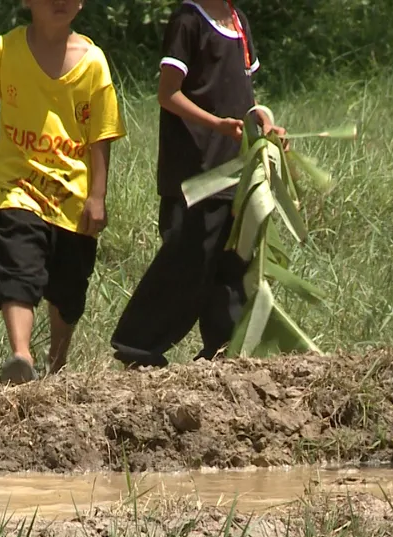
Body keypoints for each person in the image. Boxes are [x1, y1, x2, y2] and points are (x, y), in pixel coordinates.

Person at [0, 0, 126, 384]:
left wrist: (98, 196)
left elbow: (101, 136)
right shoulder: (3, 50)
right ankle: (21, 356)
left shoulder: (93, 62)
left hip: (72, 196)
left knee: (69, 290)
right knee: (17, 270)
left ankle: (56, 364)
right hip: (18, 188)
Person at [110, 0, 284, 368]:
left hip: (235, 169)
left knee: (232, 262)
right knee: (187, 260)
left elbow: (247, 98)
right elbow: (168, 94)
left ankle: (224, 349)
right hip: (195, 170)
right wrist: (215, 124)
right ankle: (138, 345)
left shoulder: (238, 21)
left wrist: (265, 123)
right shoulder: (188, 21)